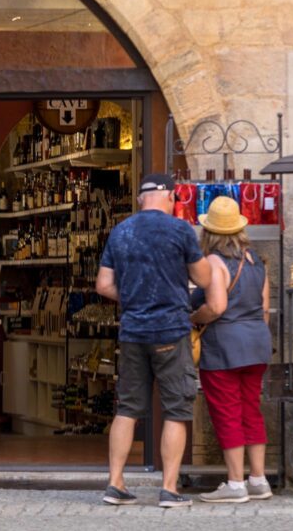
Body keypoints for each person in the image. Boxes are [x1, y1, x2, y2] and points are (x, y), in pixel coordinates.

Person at [96, 173, 211, 508]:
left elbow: (103, 285)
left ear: (140, 199)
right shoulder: (179, 230)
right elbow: (203, 278)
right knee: (176, 410)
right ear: (172, 198)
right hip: (171, 331)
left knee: (128, 408)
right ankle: (170, 488)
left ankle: (115, 483)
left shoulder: (121, 231)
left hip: (133, 332)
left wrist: (133, 298)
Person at [189, 196, 273, 503]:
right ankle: (258, 480)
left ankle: (236, 484)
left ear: (209, 232)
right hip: (257, 343)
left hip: (224, 346)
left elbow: (216, 306)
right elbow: (264, 309)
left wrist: (194, 319)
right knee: (251, 409)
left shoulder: (214, 262)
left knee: (227, 412)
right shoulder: (256, 261)